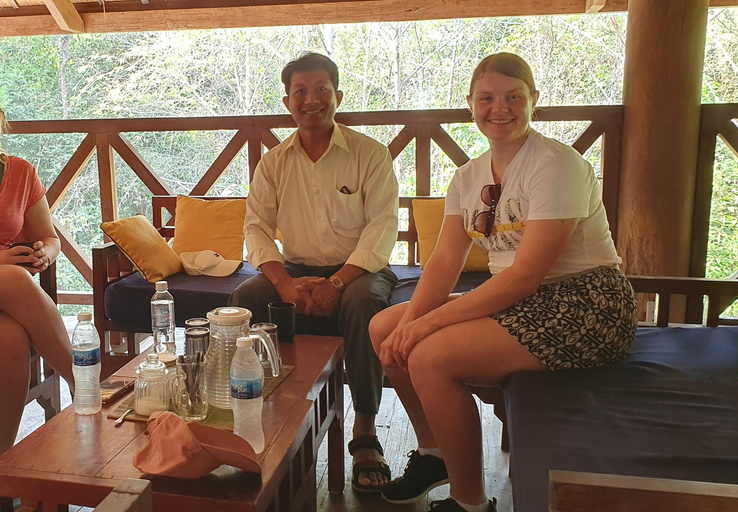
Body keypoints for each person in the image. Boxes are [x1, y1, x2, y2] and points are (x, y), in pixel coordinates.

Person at [369, 53, 638, 512]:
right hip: (517, 302)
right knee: (384, 328)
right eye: (487, 98)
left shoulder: (557, 164)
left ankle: (469, 501)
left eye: (514, 97)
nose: (500, 109)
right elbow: (444, 262)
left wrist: (424, 328)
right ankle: (435, 454)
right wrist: (412, 319)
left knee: (430, 357)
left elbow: (527, 275)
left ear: (534, 101)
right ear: (471, 104)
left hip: (586, 303)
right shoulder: (468, 176)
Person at [229, 52, 399, 492]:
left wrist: (339, 282)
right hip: (297, 269)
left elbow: (382, 229)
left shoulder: (370, 154)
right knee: (247, 298)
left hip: (359, 270)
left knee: (365, 305)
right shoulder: (274, 162)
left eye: (321, 89)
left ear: (338, 96)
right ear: (288, 102)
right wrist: (284, 283)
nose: (311, 99)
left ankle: (364, 431)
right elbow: (256, 227)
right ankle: (265, 411)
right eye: (300, 91)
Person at [0, 105, 75, 454]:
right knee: (15, 278)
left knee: (12, 340)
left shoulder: (19, 172)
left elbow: (49, 236)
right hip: (9, 280)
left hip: (7, 291)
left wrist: (46, 251)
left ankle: (4, 466)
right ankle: (84, 382)